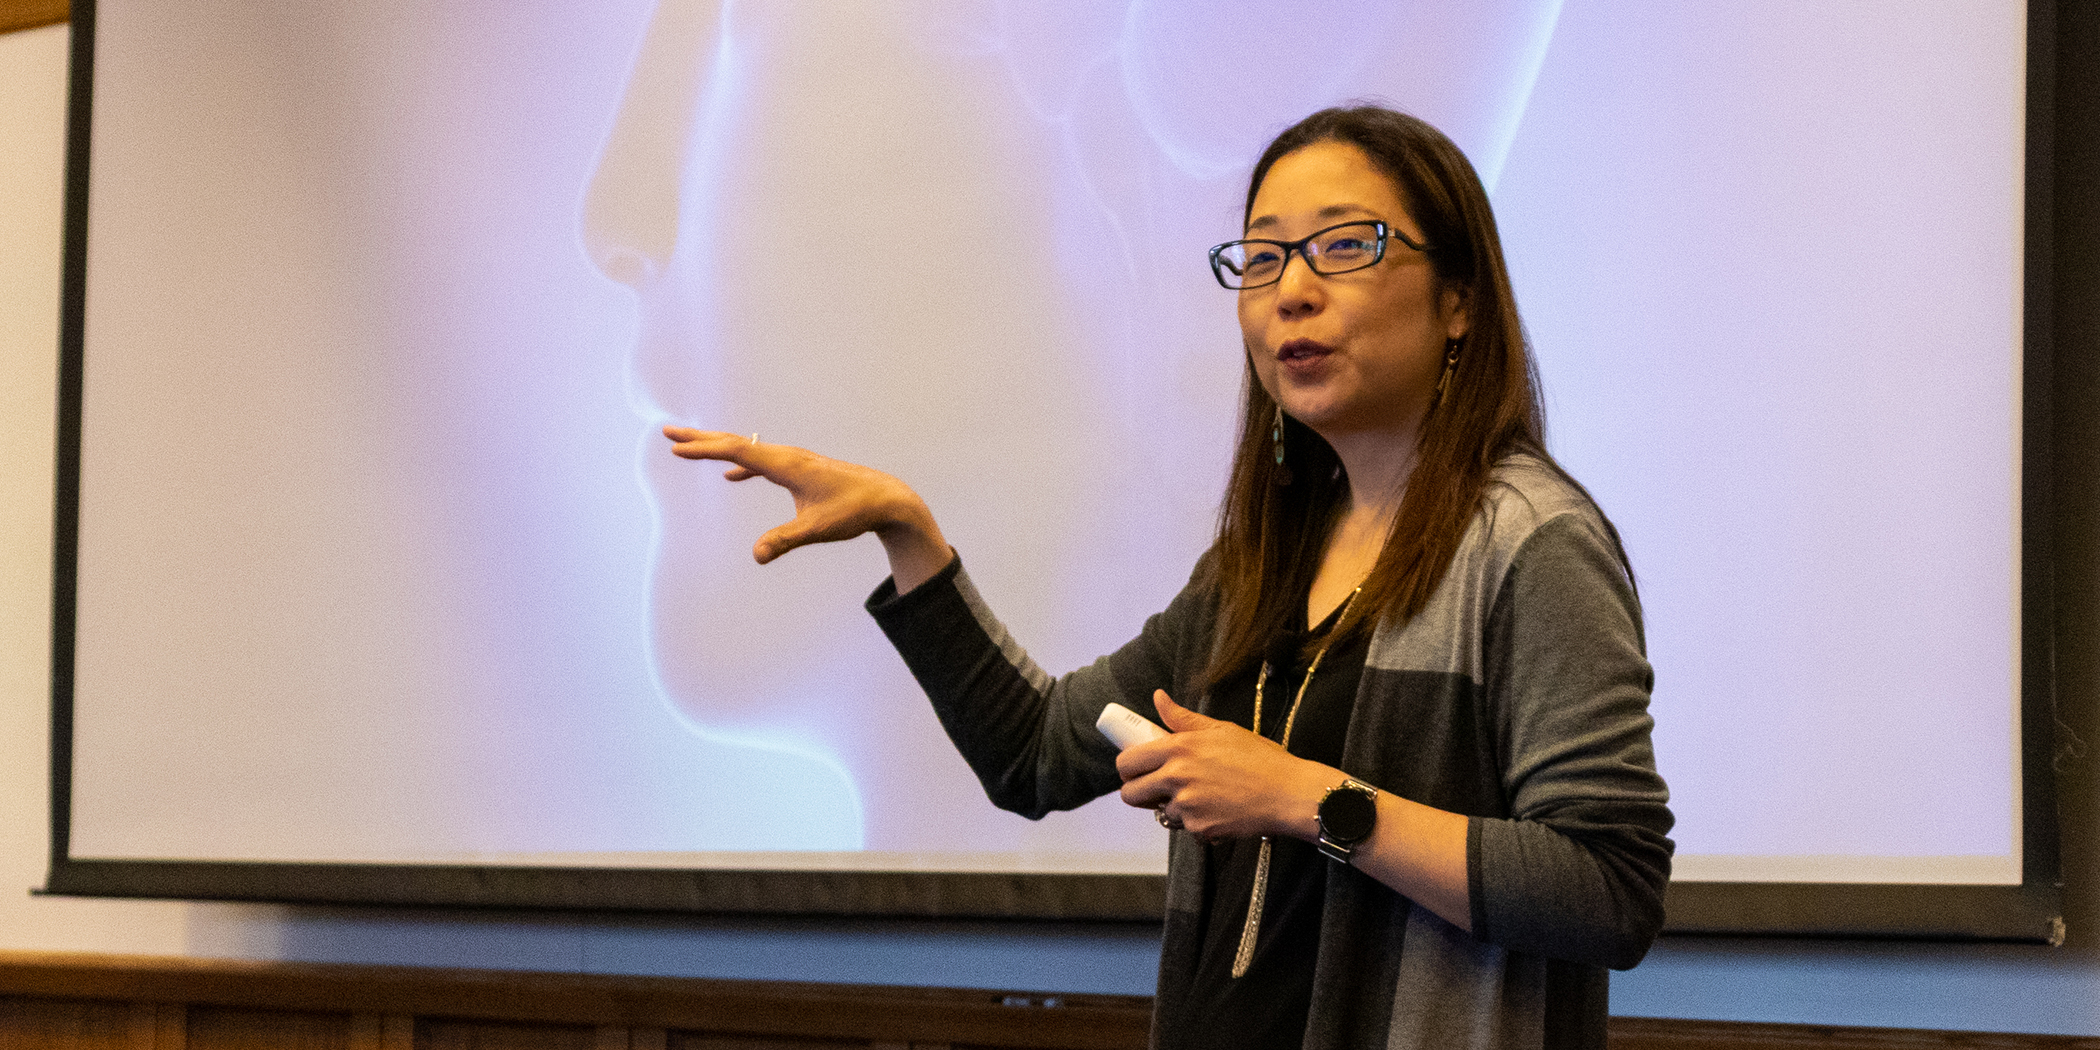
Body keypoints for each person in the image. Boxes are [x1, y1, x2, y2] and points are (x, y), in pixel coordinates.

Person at [664, 106, 1672, 1050]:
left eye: (1344, 245)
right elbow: (1037, 754)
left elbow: (1607, 887)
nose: (1293, 289)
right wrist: (909, 534)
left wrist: (1310, 801)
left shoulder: (1532, 544)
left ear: (1458, 303)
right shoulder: (1257, 567)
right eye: (1264, 255)